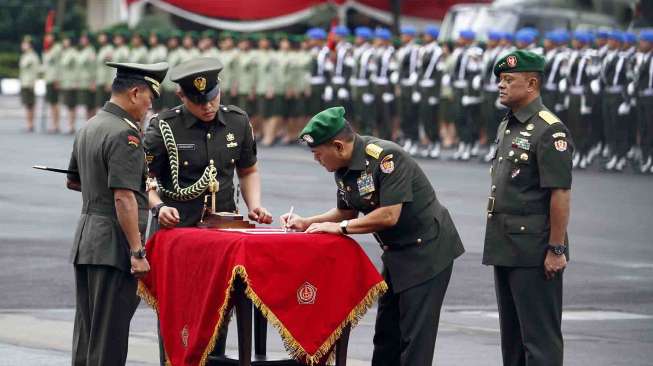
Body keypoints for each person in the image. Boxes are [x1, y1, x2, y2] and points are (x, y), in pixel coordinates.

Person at [281, 106, 465, 366]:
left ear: (338, 146)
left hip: (427, 252)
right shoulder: (343, 168)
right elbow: (346, 211)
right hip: (396, 255)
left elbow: (389, 215)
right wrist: (307, 222)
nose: (316, 160)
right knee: (386, 336)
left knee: (414, 340)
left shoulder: (386, 158)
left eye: (318, 154)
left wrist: (342, 228)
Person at [65, 61, 168, 366]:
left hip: (87, 239)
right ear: (135, 93)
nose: (148, 108)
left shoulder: (91, 125)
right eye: (149, 100)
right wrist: (137, 250)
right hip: (113, 245)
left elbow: (74, 180)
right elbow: (124, 197)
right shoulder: (127, 136)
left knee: (87, 333)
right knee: (109, 339)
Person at [484, 50, 573, 366]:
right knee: (513, 340)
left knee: (539, 341)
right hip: (505, 244)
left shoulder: (549, 129)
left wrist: (556, 248)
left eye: (509, 80)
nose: (501, 86)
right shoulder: (509, 124)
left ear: (532, 83)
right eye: (500, 80)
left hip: (534, 248)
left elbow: (559, 193)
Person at [144, 57, 273, 228]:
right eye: (198, 102)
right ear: (181, 96)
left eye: (212, 98)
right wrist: (159, 208)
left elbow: (248, 171)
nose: (208, 106)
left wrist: (254, 205)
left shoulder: (237, 121)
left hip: (224, 224)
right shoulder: (164, 127)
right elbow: (143, 178)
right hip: (178, 225)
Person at [18, 35, 40, 133]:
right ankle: (29, 123)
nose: (23, 45)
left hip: (29, 83)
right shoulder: (25, 56)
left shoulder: (33, 57)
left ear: (30, 45)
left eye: (25, 44)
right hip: (24, 82)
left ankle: (31, 124)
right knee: (27, 104)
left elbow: (35, 71)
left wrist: (33, 83)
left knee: (30, 104)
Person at [42, 31, 62, 133]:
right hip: (48, 78)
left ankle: (56, 124)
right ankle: (53, 124)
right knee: (51, 103)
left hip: (54, 78)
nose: (47, 38)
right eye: (47, 36)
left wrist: (57, 79)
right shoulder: (48, 49)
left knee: (55, 103)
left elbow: (59, 65)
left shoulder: (57, 48)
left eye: (49, 36)